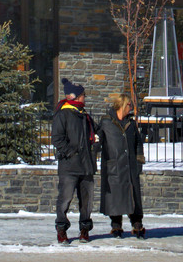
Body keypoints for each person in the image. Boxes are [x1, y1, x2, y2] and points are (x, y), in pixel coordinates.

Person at [49, 78, 98, 244]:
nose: (85, 97)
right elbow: (57, 139)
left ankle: (84, 229)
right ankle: (61, 230)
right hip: (69, 166)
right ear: (76, 97)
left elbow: (96, 133)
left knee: (87, 201)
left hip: (86, 166)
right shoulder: (63, 114)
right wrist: (71, 152)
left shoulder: (84, 115)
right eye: (83, 95)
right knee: (65, 199)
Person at [98, 92, 146, 239]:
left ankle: (137, 224)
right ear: (123, 105)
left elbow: (138, 143)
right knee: (115, 197)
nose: (131, 108)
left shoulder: (131, 124)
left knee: (134, 197)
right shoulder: (106, 122)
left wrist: (138, 160)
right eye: (130, 105)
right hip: (114, 166)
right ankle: (116, 226)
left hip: (130, 166)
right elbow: (97, 140)